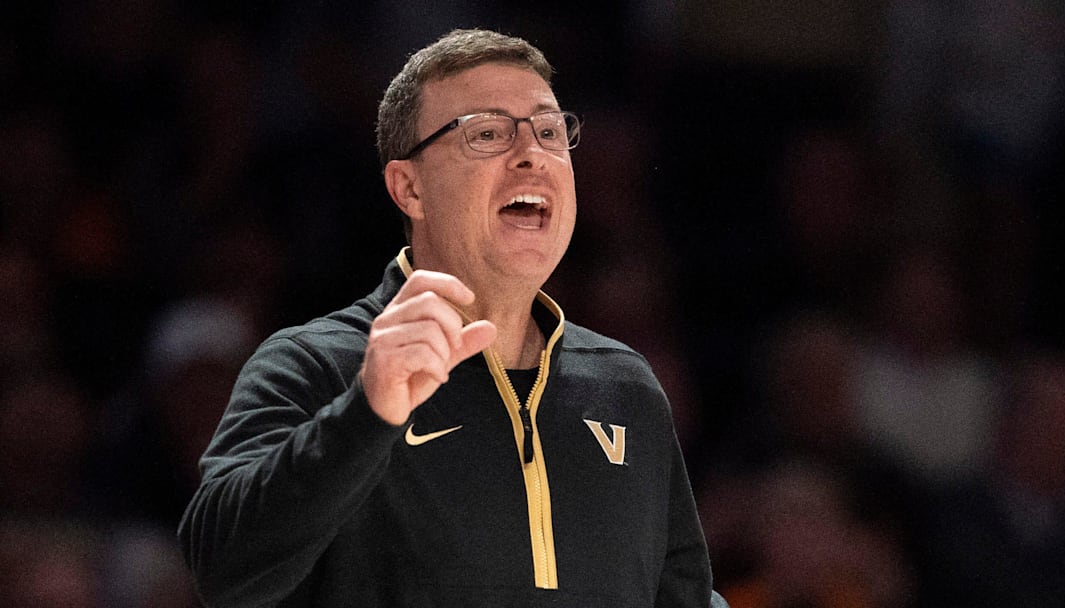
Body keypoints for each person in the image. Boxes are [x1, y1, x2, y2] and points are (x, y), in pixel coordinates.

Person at [178, 28, 721, 607]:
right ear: (409, 187)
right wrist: (366, 414)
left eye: (549, 131)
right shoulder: (319, 364)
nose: (532, 153)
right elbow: (221, 569)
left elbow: (684, 597)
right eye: (487, 133)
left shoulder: (625, 386)